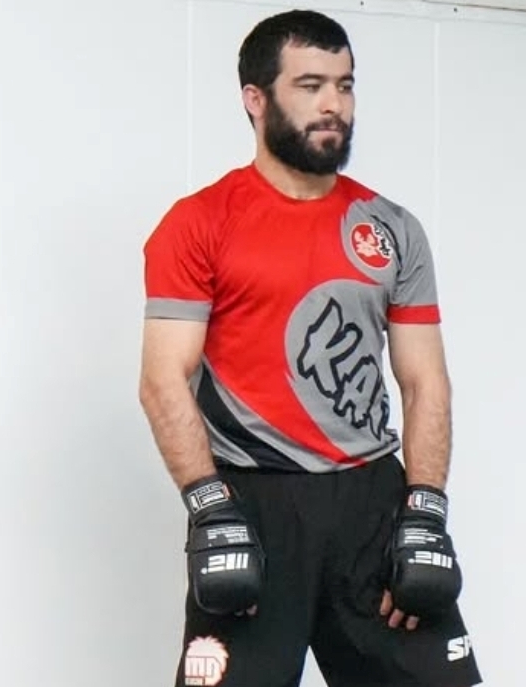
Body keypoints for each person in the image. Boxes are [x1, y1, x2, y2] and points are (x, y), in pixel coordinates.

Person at [138, 8, 482, 687]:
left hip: (371, 502)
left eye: (345, 85)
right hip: (254, 499)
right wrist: (210, 506)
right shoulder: (199, 224)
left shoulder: (391, 228)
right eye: (311, 85)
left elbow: (425, 383)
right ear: (255, 99)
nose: (334, 104)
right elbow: (162, 380)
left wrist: (425, 510)